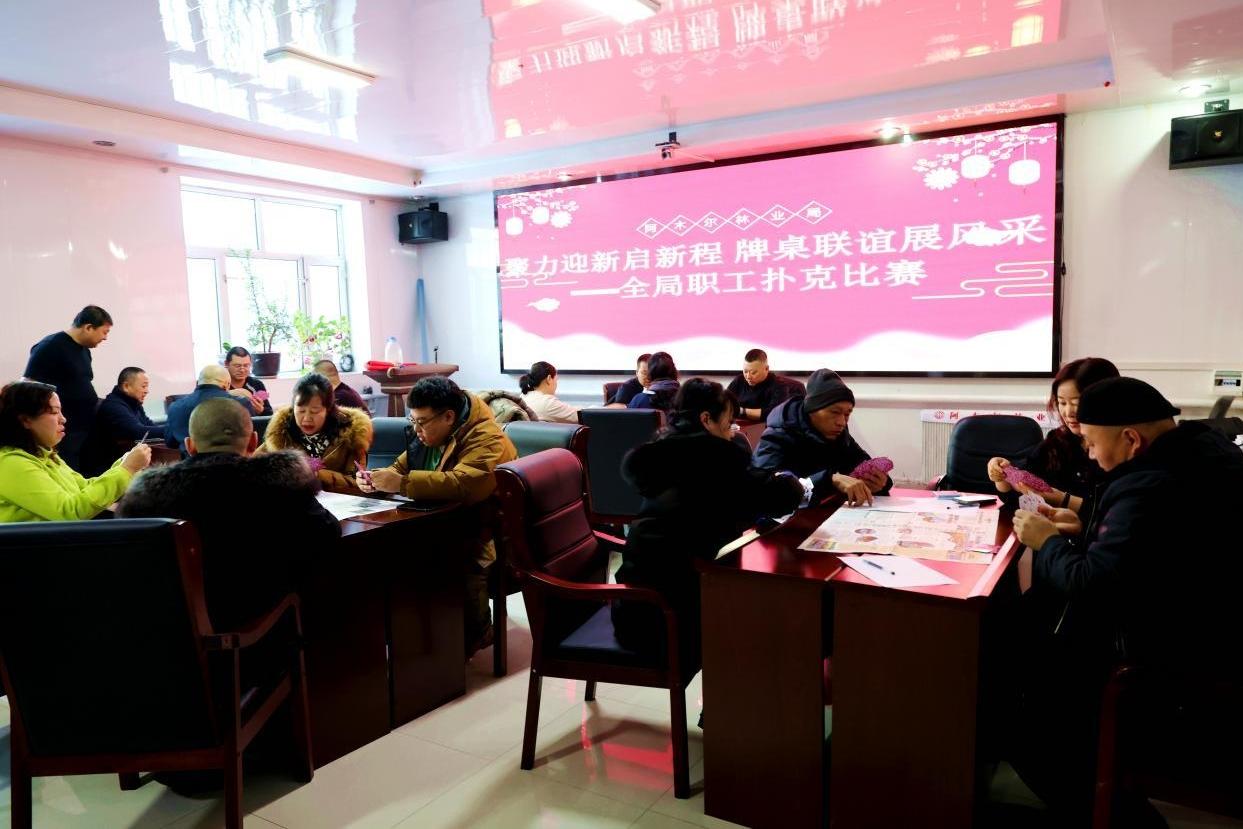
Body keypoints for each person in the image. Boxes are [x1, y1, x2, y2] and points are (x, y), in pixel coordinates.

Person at [1009, 378, 1243, 828]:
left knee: (1022, 715)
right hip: (1202, 629)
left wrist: (1047, 542)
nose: (1091, 455)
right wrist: (1085, 528)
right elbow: (1144, 551)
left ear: (1132, 439)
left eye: (1093, 444)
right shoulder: (1201, 452)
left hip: (1163, 655)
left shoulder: (1151, 485)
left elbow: (1092, 584)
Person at [614, 379, 804, 668]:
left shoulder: (660, 454)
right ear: (706, 419)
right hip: (669, 618)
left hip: (635, 606)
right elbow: (775, 496)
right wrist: (794, 483)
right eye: (728, 425)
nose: (732, 433)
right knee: (773, 620)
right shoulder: (714, 459)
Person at [118, 397, 340, 637]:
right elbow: (328, 531)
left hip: (168, 630)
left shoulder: (149, 497)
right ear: (253, 441)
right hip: (258, 627)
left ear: (190, 445)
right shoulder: (282, 481)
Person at [356, 377, 518, 657]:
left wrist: (401, 483)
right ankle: (409, 637)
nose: (415, 429)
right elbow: (400, 468)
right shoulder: (429, 431)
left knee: (453, 560)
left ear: (449, 417)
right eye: (412, 420)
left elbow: (464, 485)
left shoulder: (487, 438)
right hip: (442, 520)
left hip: (487, 526)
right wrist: (377, 480)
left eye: (421, 422)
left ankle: (475, 633)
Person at [987, 357, 1120, 520]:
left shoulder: (1122, 450)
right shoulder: (1057, 441)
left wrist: (1062, 499)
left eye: (1076, 403)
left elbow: (1115, 515)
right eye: (1062, 403)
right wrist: (1003, 476)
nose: (1068, 412)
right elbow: (1021, 493)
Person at [0, 380, 150, 523]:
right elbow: (70, 512)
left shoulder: (44, 454)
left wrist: (124, 465)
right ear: (26, 420)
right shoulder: (11, 463)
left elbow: (84, 487)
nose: (63, 419)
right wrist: (126, 469)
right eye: (54, 412)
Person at [753, 368, 892, 505]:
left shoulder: (840, 436)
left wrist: (879, 483)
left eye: (847, 414)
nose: (842, 422)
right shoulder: (779, 435)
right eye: (835, 412)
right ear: (812, 409)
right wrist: (828, 480)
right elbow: (763, 490)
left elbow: (861, 464)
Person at [23, 305, 113, 471]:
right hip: (64, 430)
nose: (105, 338)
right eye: (104, 332)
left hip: (85, 427)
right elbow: (29, 386)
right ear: (88, 327)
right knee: (69, 472)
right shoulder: (50, 346)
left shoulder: (85, 351)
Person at [257, 372, 372, 494]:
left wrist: (318, 475)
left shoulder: (351, 433)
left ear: (328, 409)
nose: (306, 418)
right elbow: (254, 468)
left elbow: (357, 484)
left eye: (314, 411)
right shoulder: (282, 433)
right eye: (301, 411)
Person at [81, 366, 165, 476]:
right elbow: (137, 432)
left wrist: (168, 431)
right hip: (104, 469)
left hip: (123, 464)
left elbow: (149, 426)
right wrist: (171, 430)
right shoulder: (113, 406)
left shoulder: (134, 403)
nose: (147, 391)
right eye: (143, 386)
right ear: (126, 386)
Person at [165, 365, 251, 455]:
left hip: (191, 462)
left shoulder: (175, 407)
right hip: (234, 462)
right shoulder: (240, 403)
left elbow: (170, 443)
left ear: (198, 382)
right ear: (226, 384)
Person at [726, 348, 803, 422]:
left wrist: (742, 411)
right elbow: (724, 401)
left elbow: (774, 414)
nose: (748, 376)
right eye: (745, 371)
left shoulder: (779, 385)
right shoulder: (739, 380)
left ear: (766, 369)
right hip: (739, 425)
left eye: (753, 372)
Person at [224, 346, 274, 416]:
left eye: (246, 365)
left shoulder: (257, 384)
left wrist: (261, 410)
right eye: (237, 366)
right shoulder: (221, 384)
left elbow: (270, 412)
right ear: (226, 364)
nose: (242, 370)